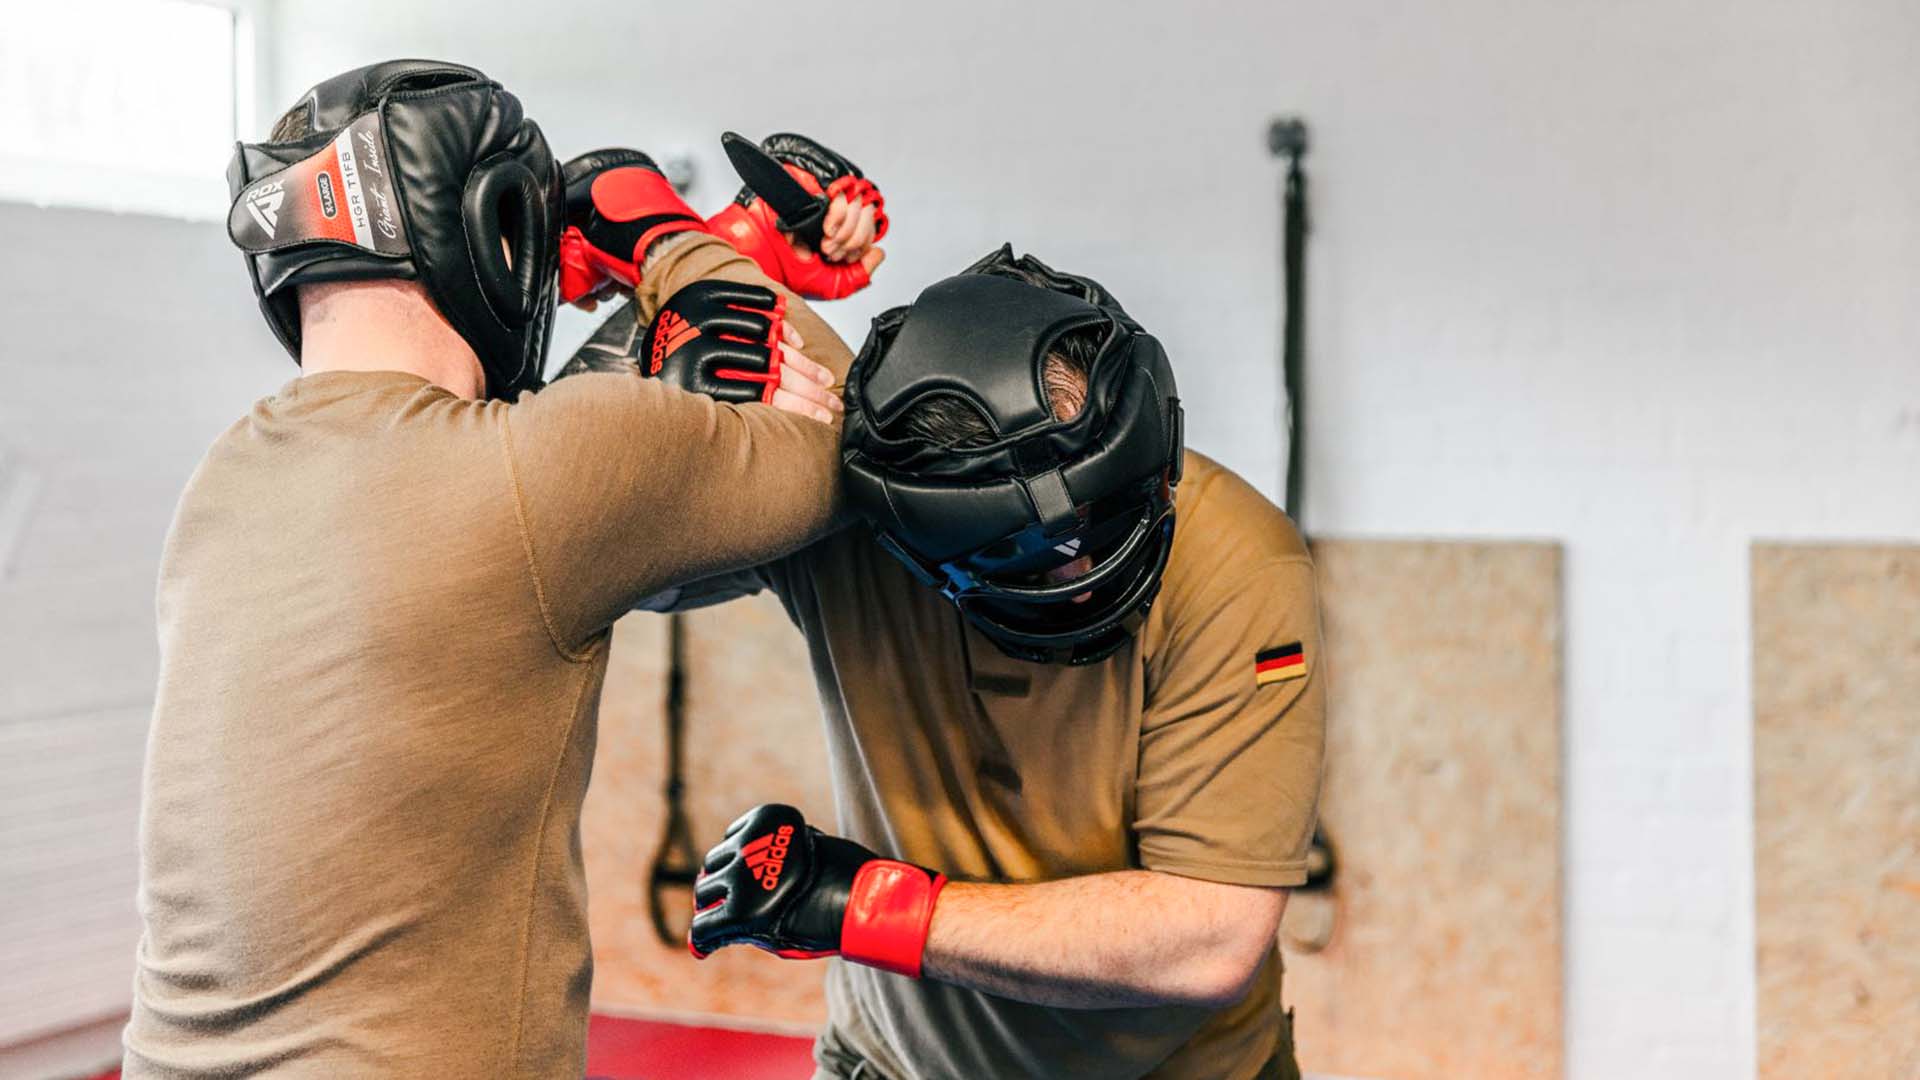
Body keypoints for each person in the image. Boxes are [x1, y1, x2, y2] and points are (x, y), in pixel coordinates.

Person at [126, 61, 880, 1077]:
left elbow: (559, 494)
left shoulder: (226, 481)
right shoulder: (546, 481)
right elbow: (835, 441)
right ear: (488, 233)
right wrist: (664, 230)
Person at [602, 247, 1327, 1078]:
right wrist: (657, 412)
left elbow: (1209, 936)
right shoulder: (855, 502)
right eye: (1025, 551)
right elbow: (583, 557)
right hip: (886, 1064)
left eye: (1099, 520)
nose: (1080, 572)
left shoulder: (1237, 562)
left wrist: (859, 905)